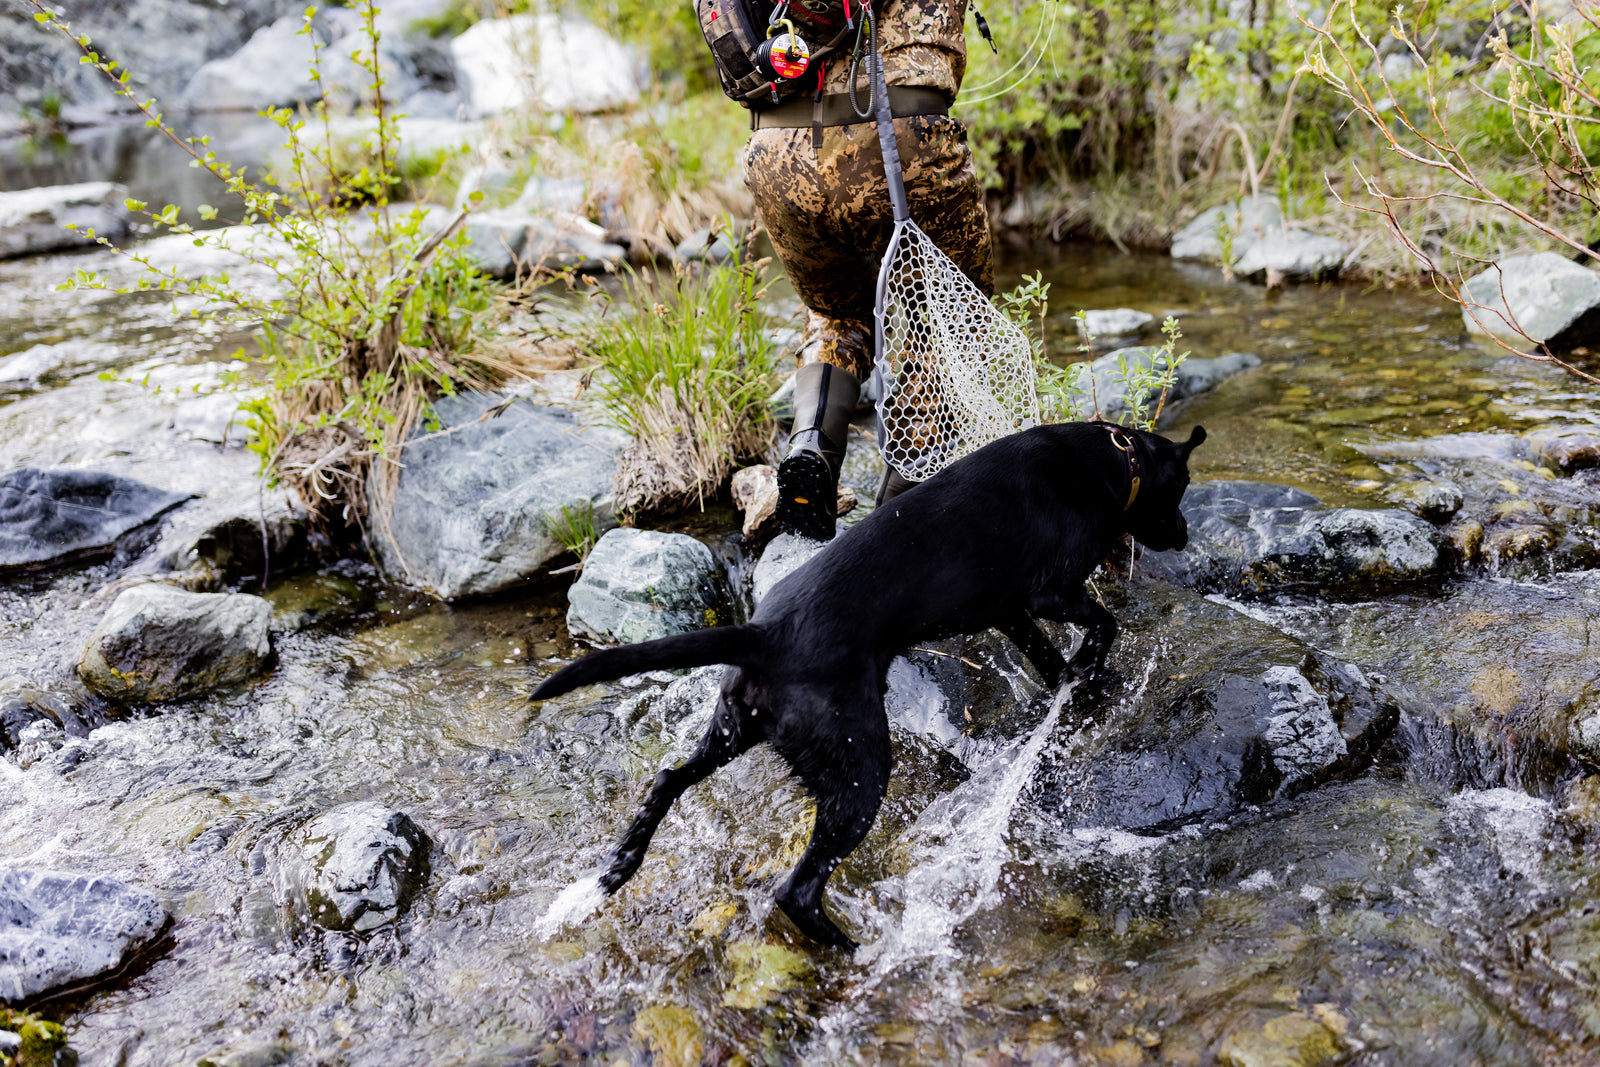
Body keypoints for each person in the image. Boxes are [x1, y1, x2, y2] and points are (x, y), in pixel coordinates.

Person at [740, 0, 994, 541]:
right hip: (898, 134)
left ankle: (812, 445)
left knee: (835, 312)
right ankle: (900, 511)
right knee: (947, 314)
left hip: (777, 152)